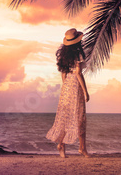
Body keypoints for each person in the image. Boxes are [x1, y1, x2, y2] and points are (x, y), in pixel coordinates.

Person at [46, 28, 91, 158]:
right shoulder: (78, 54)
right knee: (80, 118)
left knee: (66, 118)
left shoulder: (63, 56)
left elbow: (63, 75)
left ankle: (61, 145)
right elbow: (78, 73)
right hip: (76, 86)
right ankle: (82, 148)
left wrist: (66, 88)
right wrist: (85, 91)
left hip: (66, 87)